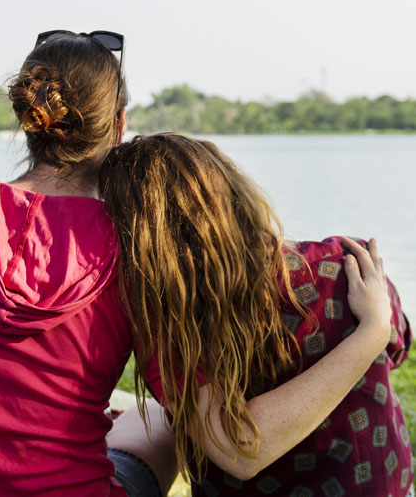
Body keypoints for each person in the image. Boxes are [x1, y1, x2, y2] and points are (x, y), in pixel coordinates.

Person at [0, 34, 405, 497]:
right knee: (161, 425)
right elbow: (232, 446)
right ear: (118, 125)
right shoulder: (138, 249)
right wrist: (373, 331)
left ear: (27, 122)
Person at [98, 133, 413, 497]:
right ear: (232, 190)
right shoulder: (346, 264)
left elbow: (238, 449)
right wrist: (371, 330)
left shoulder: (172, 321)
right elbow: (398, 345)